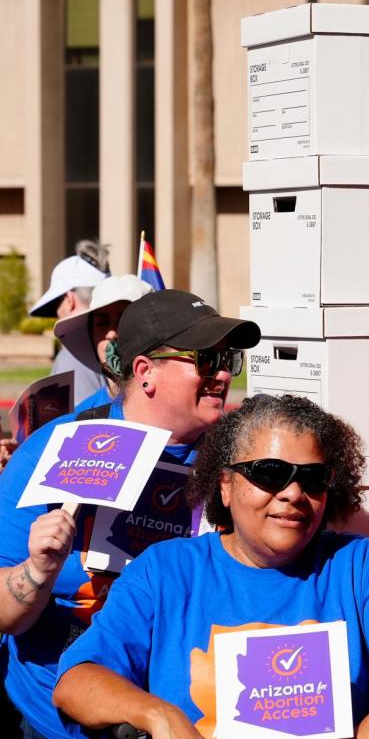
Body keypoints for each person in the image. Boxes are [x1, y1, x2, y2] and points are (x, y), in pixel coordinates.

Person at [53, 394, 369, 739]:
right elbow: (76, 682)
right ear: (226, 485)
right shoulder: (164, 572)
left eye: (312, 478)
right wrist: (156, 715)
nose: (292, 493)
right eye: (269, 473)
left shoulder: (358, 567)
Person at [0, 289, 260, 739]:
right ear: (145, 372)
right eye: (205, 359)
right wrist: (39, 570)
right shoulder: (56, 450)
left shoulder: (240, 462)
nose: (222, 374)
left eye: (228, 359)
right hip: (63, 719)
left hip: (196, 715)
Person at [51, 274, 153, 411]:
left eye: (124, 321)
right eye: (101, 323)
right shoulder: (79, 420)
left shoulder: (183, 407)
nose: (112, 334)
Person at [32, 241, 111, 403]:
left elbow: (78, 425)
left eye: (56, 304)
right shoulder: (120, 342)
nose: (56, 313)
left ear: (69, 300)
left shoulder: (75, 355)